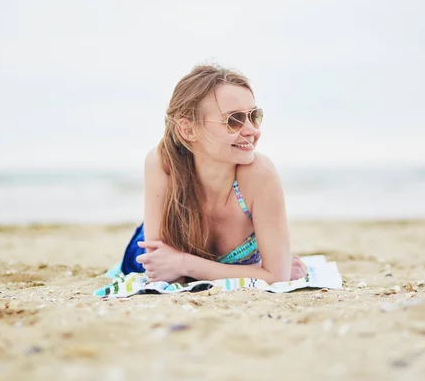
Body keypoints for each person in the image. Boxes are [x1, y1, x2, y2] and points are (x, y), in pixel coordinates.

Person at [120, 64, 307, 284]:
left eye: (254, 116)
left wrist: (183, 263)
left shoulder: (260, 174)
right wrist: (256, 271)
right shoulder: (163, 162)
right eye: (233, 120)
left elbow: (277, 277)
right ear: (187, 130)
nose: (252, 131)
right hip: (141, 254)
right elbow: (165, 275)